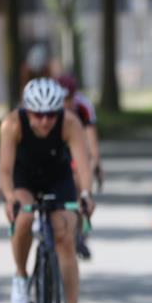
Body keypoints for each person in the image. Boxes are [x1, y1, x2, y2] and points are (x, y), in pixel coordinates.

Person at [0, 78, 95, 303]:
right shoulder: (12, 124)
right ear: (27, 111)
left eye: (50, 115)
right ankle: (20, 275)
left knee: (65, 236)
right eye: (38, 115)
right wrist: (9, 198)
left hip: (57, 177)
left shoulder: (70, 123)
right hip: (24, 178)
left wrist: (86, 195)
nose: (44, 122)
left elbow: (84, 166)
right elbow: (5, 170)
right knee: (25, 217)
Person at [57, 73, 103, 260]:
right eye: (63, 99)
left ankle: (81, 233)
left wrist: (96, 163)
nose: (66, 103)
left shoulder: (83, 106)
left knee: (80, 183)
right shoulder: (50, 106)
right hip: (58, 151)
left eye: (69, 99)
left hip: (77, 149)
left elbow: (91, 136)